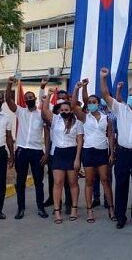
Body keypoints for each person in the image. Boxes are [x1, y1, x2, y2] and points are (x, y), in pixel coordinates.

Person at [100, 68, 132, 229]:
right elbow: (105, 95)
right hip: (122, 153)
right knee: (121, 185)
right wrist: (103, 78)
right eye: (130, 95)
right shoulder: (120, 108)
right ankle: (120, 217)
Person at [71, 80, 116, 223]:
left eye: (93, 101)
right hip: (88, 152)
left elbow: (110, 135)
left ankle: (111, 208)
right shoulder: (85, 117)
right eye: (89, 101)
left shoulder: (106, 117)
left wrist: (111, 153)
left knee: (105, 180)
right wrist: (77, 89)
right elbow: (73, 106)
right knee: (89, 182)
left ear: (98, 103)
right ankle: (89, 211)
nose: (91, 103)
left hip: (102, 152)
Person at [5, 76, 49, 219]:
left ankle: (41, 208)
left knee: (38, 182)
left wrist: (47, 153)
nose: (29, 99)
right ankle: (21, 208)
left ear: (35, 99)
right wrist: (9, 84)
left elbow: (47, 135)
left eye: (31, 97)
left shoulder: (41, 115)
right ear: (24, 100)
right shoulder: (20, 111)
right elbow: (8, 100)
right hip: (22, 151)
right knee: (20, 181)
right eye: (27, 97)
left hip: (37, 152)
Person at [41, 89, 83, 224]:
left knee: (72, 183)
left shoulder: (77, 122)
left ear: (71, 110)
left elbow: (80, 142)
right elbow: (45, 109)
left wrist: (77, 159)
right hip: (58, 153)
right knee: (57, 183)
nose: (64, 112)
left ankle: (74, 209)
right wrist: (49, 95)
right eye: (62, 110)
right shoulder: (56, 120)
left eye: (66, 110)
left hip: (71, 153)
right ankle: (57, 212)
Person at [0, 92, 14, 219]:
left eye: (1, 98)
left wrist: (12, 155)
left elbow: (9, 137)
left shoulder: (6, 117)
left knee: (1, 182)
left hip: (1, 152)